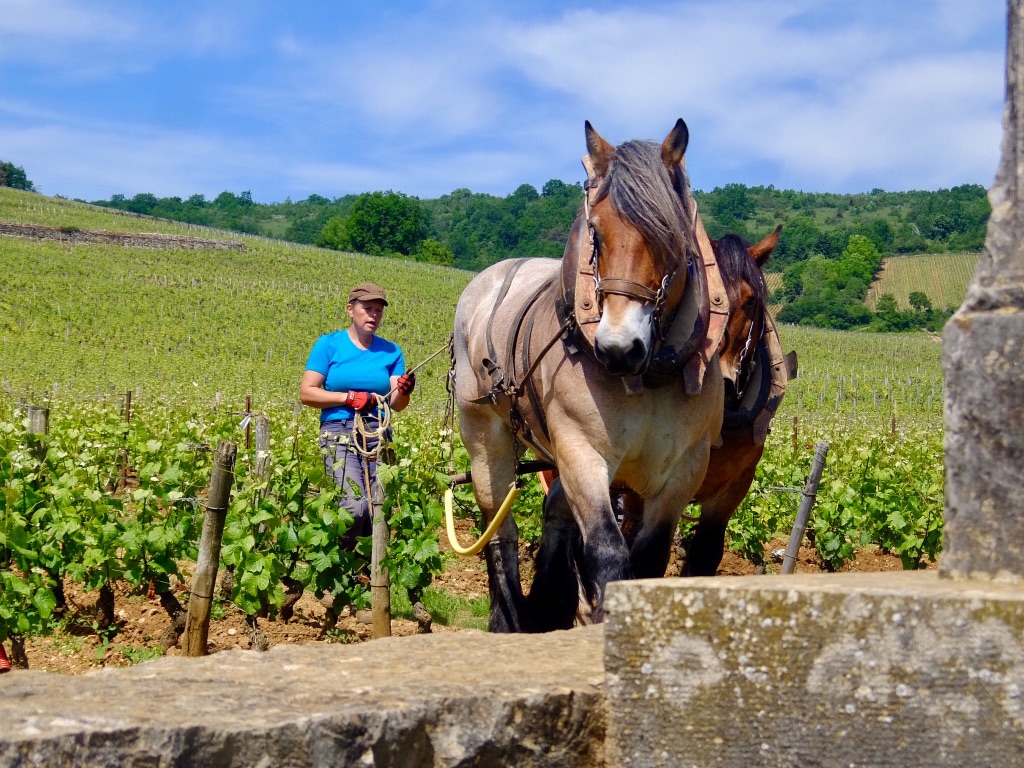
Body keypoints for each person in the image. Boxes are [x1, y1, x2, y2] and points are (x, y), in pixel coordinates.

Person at [300, 282, 415, 549]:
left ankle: (370, 575)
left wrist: (405, 391)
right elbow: (307, 392)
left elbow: (397, 404)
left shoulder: (391, 351)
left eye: (378, 310)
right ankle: (345, 564)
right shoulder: (329, 345)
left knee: (379, 507)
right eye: (367, 309)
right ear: (350, 310)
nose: (374, 315)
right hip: (339, 431)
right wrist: (348, 398)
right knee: (354, 507)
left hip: (378, 431)